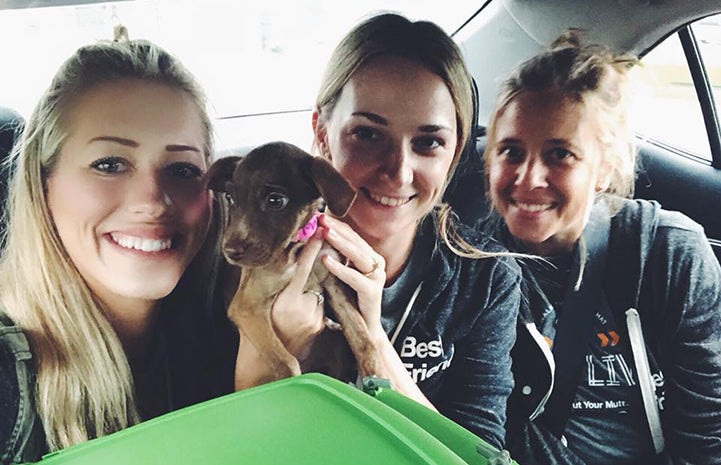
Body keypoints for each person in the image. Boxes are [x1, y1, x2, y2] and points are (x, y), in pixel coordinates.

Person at [234, 12, 522, 452]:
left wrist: (373, 338)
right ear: (322, 134)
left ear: (456, 151)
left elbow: (475, 453)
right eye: (367, 134)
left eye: (428, 143)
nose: (398, 171)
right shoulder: (254, 246)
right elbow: (236, 445)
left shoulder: (484, 279)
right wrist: (270, 348)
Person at [483, 31, 721, 464]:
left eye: (560, 154)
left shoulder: (669, 255)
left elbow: (708, 438)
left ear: (604, 165)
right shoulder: (476, 267)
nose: (528, 178)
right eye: (512, 152)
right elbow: (488, 432)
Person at [0, 39, 238, 463]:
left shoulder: (223, 328)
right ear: (43, 182)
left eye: (182, 169)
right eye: (109, 164)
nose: (152, 200)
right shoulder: (7, 376)